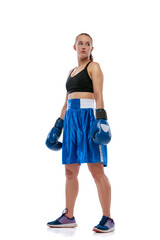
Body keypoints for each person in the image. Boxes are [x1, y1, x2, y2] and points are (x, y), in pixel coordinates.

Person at [45, 33, 115, 233]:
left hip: (88, 119)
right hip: (71, 121)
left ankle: (108, 218)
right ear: (74, 47)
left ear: (92, 49)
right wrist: (58, 126)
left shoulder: (94, 67)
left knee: (96, 170)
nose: (84, 46)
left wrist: (101, 119)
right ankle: (68, 216)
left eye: (88, 44)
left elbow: (99, 94)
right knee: (70, 171)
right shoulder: (71, 72)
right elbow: (66, 102)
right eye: (80, 43)